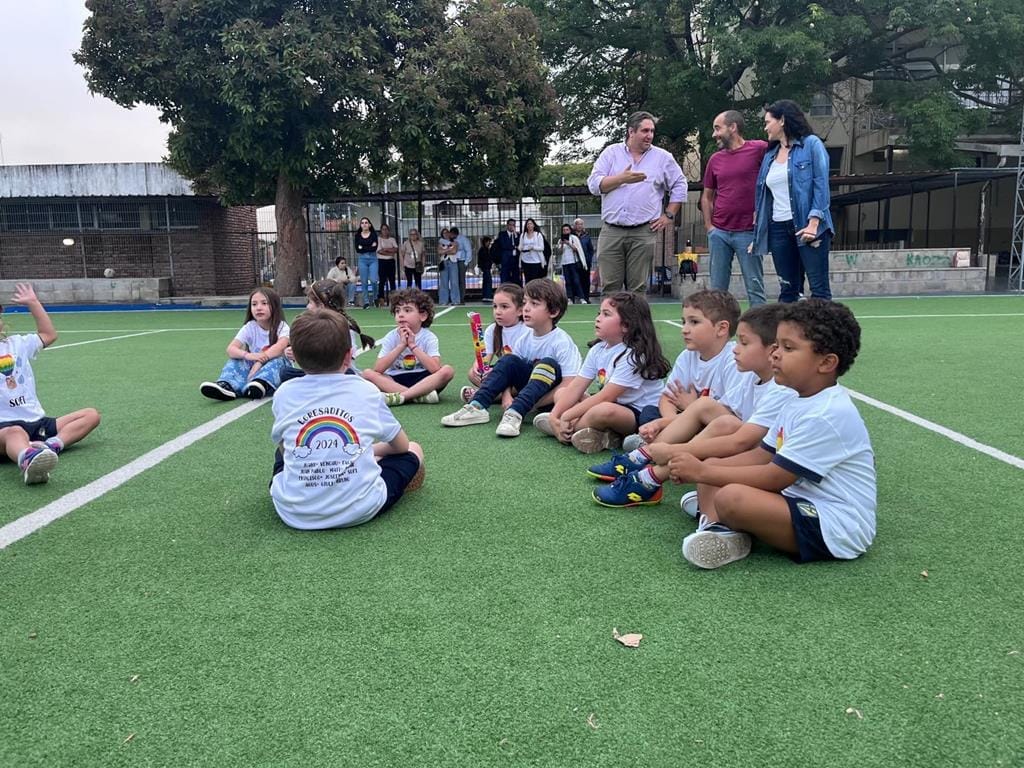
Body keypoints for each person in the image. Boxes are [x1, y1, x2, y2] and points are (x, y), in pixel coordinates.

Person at [670, 300, 875, 570]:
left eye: (788, 348)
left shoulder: (826, 413)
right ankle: (717, 525)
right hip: (794, 497)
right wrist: (706, 467)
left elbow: (774, 476)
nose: (775, 354)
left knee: (731, 496)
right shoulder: (795, 399)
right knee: (716, 467)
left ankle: (723, 523)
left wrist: (703, 472)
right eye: (776, 345)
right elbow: (761, 455)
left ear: (826, 363)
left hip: (836, 523)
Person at [590, 303, 796, 507]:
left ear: (772, 351)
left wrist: (674, 450)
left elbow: (742, 441)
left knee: (724, 426)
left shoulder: (780, 389)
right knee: (706, 408)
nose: (736, 349)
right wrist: (663, 423)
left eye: (744, 343)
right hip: (741, 446)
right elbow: (717, 411)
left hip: (763, 462)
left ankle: (649, 475)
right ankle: (643, 458)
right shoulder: (751, 378)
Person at [269, 310, 424, 530]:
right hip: (360, 507)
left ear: (294, 355)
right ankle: (361, 461)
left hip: (293, 512)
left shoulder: (284, 393)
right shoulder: (365, 390)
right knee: (414, 449)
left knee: (284, 447)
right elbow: (401, 446)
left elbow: (286, 451)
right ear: (349, 355)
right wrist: (369, 450)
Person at [441, 278, 581, 438]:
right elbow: (510, 372)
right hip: (528, 393)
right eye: (525, 302)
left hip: (551, 399)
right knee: (508, 360)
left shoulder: (561, 342)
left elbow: (569, 384)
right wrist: (507, 395)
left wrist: (533, 403)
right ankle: (477, 406)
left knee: (547, 364)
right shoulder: (524, 339)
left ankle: (515, 413)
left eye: (534, 304)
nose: (526, 308)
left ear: (553, 311)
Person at [535, 292, 668, 454]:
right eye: (599, 313)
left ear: (626, 325)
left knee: (603, 410)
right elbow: (576, 386)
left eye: (606, 314)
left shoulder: (633, 355)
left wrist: (566, 416)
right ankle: (603, 435)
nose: (598, 318)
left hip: (638, 414)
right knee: (562, 392)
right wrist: (554, 415)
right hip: (614, 404)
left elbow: (606, 397)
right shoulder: (598, 349)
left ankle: (567, 430)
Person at [0, 283, 101, 485]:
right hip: (5, 428)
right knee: (15, 433)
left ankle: (51, 446)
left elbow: (49, 334)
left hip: (37, 422)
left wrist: (33, 302)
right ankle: (26, 458)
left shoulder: (17, 344)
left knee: (91, 415)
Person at [629, 289, 745, 448]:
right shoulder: (687, 356)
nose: (684, 329)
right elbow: (667, 398)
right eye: (684, 322)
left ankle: (654, 446)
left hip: (714, 425)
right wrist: (673, 421)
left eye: (694, 322)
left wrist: (690, 408)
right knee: (649, 412)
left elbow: (729, 419)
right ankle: (665, 442)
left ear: (722, 328)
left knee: (716, 428)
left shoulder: (734, 360)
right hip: (684, 419)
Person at [587, 111, 687, 294]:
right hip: (611, 230)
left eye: (652, 131)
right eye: (645, 131)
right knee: (610, 288)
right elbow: (594, 185)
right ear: (631, 132)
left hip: (643, 231)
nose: (650, 135)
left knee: (638, 289)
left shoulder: (663, 157)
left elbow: (680, 184)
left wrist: (669, 215)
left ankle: (636, 315)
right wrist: (621, 179)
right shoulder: (611, 153)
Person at [753, 99, 834, 302]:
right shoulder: (770, 155)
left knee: (819, 291)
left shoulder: (811, 144)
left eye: (767, 122)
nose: (765, 128)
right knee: (788, 291)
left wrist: (814, 223)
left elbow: (821, 185)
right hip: (778, 228)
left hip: (808, 226)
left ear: (781, 120)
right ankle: (788, 324)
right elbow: (763, 196)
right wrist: (758, 231)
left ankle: (824, 325)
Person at [702, 110, 769, 306]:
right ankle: (717, 326)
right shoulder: (715, 159)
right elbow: (707, 196)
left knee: (755, 287)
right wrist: (709, 227)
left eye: (717, 128)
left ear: (733, 127)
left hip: (749, 232)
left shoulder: (759, 149)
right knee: (717, 291)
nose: (714, 134)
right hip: (719, 233)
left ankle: (760, 325)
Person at [361, 288, 455, 406]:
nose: (400, 315)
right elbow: (378, 369)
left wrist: (412, 346)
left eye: (407, 310)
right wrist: (401, 346)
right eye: (397, 311)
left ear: (423, 316)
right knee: (367, 374)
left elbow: (435, 369)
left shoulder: (429, 337)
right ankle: (419, 396)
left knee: (447, 370)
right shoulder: (391, 337)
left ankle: (403, 396)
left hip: (423, 380)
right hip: (395, 379)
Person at [200, 287, 290, 401]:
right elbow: (231, 349)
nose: (258, 308)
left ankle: (261, 384)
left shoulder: (282, 327)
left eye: (264, 303)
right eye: (254, 304)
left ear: (275, 306)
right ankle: (226, 385)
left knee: (277, 361)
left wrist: (260, 360)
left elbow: (280, 347)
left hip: (276, 365)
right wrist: (248, 355)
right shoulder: (250, 327)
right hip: (254, 363)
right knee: (235, 360)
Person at [281, 279, 375, 381]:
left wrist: (303, 355)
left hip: (338, 373)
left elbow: (343, 362)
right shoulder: (309, 326)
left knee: (349, 373)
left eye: (310, 302)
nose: (307, 306)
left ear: (321, 306)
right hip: (315, 372)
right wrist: (293, 352)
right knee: (286, 372)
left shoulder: (343, 328)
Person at [461, 282, 530, 403]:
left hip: (522, 376)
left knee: (520, 384)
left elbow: (518, 367)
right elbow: (485, 358)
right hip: (503, 372)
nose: (498, 311)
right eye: (495, 306)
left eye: (504, 307)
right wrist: (479, 367)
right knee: (472, 374)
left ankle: (486, 394)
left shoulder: (527, 330)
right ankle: (497, 393)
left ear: (520, 311)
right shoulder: (492, 330)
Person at [556, 223, 588, 304]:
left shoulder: (574, 238)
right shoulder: (560, 240)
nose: (565, 231)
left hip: (573, 262)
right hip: (565, 263)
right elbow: (559, 252)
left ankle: (581, 297)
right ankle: (570, 298)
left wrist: (569, 243)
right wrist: (562, 244)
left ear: (570, 230)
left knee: (576, 280)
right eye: (564, 230)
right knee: (568, 281)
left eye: (567, 230)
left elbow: (577, 249)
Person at [354, 217, 379, 309]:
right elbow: (358, 249)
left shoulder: (373, 235)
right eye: (362, 223)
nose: (364, 224)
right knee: (364, 281)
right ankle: (366, 302)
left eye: (366, 222)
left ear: (369, 225)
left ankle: (375, 297)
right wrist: (368, 246)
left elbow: (374, 248)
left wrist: (363, 247)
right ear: (360, 225)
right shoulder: (358, 235)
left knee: (374, 280)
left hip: (373, 259)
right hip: (362, 259)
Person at [376, 223, 400, 304]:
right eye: (383, 229)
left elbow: (396, 249)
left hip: (391, 262)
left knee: (392, 280)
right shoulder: (379, 239)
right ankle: (381, 299)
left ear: (388, 230)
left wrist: (386, 250)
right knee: (382, 281)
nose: (385, 231)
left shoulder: (392, 239)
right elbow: (379, 251)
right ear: (381, 231)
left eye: (386, 229)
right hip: (382, 261)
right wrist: (390, 252)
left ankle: (393, 299)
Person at [518, 218, 547, 284]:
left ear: (534, 225)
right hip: (525, 260)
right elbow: (520, 246)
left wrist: (533, 247)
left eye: (531, 223)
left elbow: (542, 247)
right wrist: (520, 248)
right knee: (527, 280)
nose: (529, 225)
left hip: (536, 261)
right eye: (528, 224)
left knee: (535, 280)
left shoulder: (538, 234)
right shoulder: (523, 235)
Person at [437, 228, 461, 306]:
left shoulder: (455, 242)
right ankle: (443, 300)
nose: (446, 234)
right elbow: (439, 251)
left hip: (453, 262)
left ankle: (455, 300)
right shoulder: (440, 242)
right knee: (444, 282)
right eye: (444, 233)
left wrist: (445, 250)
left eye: (447, 232)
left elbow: (454, 251)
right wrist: (449, 250)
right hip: (444, 262)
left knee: (454, 282)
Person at [573, 218, 596, 296]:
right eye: (578, 224)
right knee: (575, 280)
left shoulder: (586, 236)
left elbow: (591, 249)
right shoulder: (571, 236)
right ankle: (577, 296)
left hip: (585, 262)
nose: (579, 226)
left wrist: (588, 259)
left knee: (585, 280)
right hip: (575, 261)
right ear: (574, 225)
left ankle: (586, 297)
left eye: (581, 224)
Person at [496, 219, 521, 285]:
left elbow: (519, 245)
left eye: (513, 225)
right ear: (507, 225)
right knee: (505, 278)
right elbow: (504, 245)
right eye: (510, 225)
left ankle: (516, 290)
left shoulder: (517, 235)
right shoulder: (502, 234)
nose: (512, 226)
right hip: (505, 260)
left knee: (516, 278)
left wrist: (515, 235)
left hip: (515, 259)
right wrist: (514, 247)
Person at [451, 226, 471, 304]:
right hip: (454, 261)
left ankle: (461, 298)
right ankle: (455, 298)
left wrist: (466, 262)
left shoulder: (463, 239)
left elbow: (468, 250)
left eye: (452, 234)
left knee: (461, 280)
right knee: (455, 280)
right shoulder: (451, 240)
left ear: (454, 233)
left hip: (462, 261)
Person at [477, 236, 495, 301]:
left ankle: (485, 295)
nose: (489, 243)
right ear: (485, 242)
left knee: (486, 281)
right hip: (486, 267)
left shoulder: (484, 249)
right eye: (488, 242)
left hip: (485, 267)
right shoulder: (484, 250)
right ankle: (487, 295)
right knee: (488, 281)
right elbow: (486, 259)